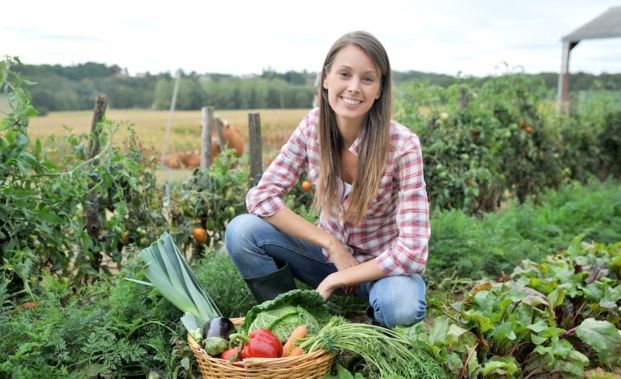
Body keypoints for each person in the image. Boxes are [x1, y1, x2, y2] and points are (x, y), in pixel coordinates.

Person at [225, 31, 429, 328]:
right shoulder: (312, 127)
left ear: (380, 89)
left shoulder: (403, 146)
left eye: (368, 79)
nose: (354, 88)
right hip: (323, 258)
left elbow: (412, 251)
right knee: (241, 231)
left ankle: (373, 331)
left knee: (399, 306)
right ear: (325, 78)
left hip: (381, 270)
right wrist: (331, 244)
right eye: (344, 74)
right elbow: (261, 196)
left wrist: (341, 276)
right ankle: (295, 323)